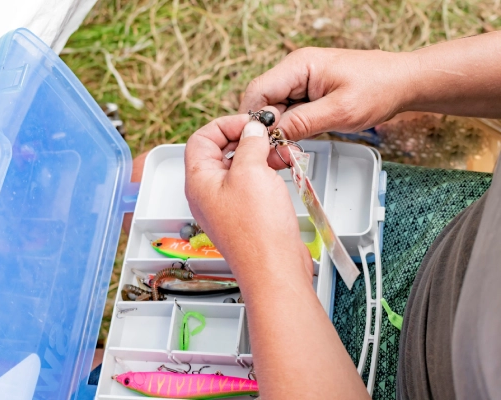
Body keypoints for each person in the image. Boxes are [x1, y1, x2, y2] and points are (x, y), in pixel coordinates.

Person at [184, 31, 501, 399]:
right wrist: (404, 76)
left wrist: (268, 268)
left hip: (400, 378)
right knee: (142, 174)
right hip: (459, 223)